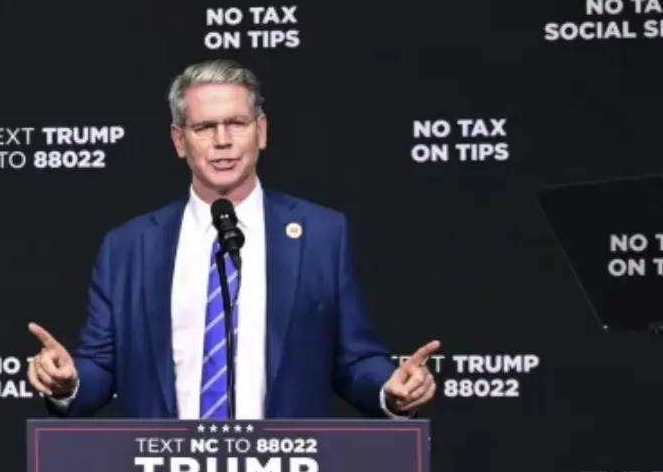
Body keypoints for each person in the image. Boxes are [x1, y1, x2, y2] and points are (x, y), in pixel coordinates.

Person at [26, 59, 439, 420]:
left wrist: (390, 390)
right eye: (205, 127)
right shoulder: (128, 247)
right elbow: (100, 365)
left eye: (237, 124)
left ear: (261, 131)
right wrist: (68, 382)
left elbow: (354, 359)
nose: (222, 141)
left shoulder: (322, 235)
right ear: (179, 141)